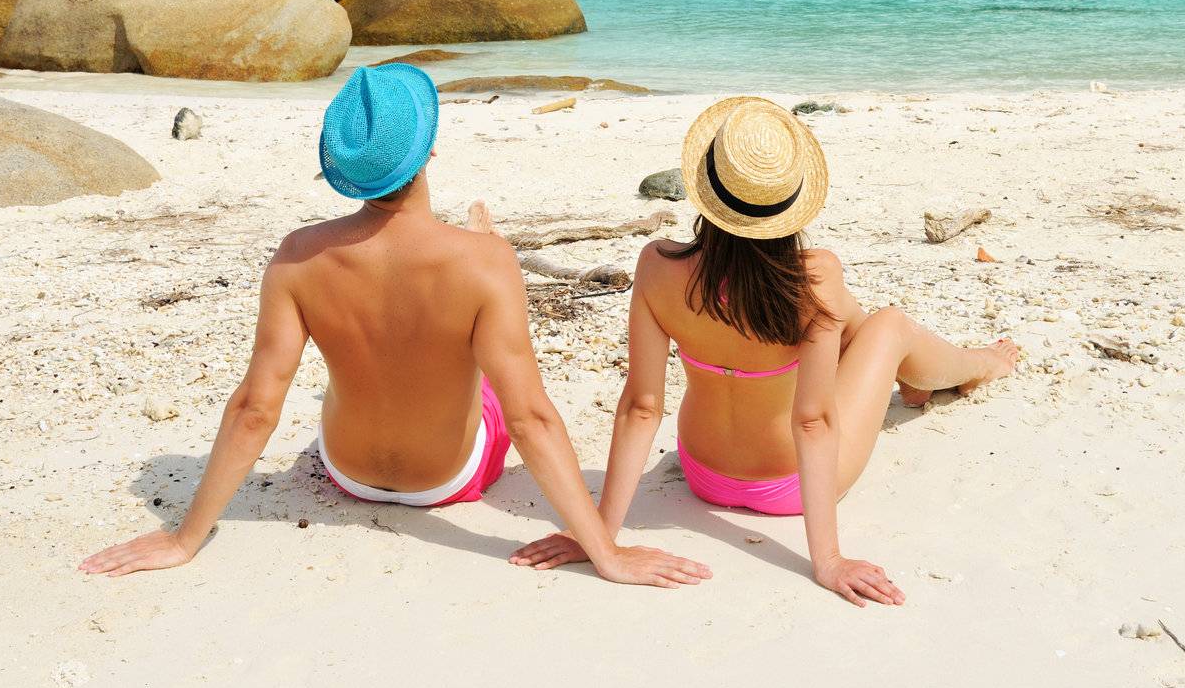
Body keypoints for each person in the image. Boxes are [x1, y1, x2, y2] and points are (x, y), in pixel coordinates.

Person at [80, 64, 710, 589]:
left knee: (357, 368)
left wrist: (187, 538)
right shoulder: (485, 263)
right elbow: (531, 419)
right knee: (491, 373)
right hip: (448, 479)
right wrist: (607, 551)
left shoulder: (298, 256)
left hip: (346, 470)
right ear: (429, 148)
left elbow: (254, 408)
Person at [511, 96, 1019, 606]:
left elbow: (642, 407)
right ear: (792, 202)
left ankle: (912, 375)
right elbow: (813, 422)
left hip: (703, 473)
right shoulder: (814, 276)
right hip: (789, 485)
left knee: (846, 317)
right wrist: (829, 560)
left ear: (706, 190)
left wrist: (600, 535)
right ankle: (978, 365)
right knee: (887, 325)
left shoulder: (656, 265)